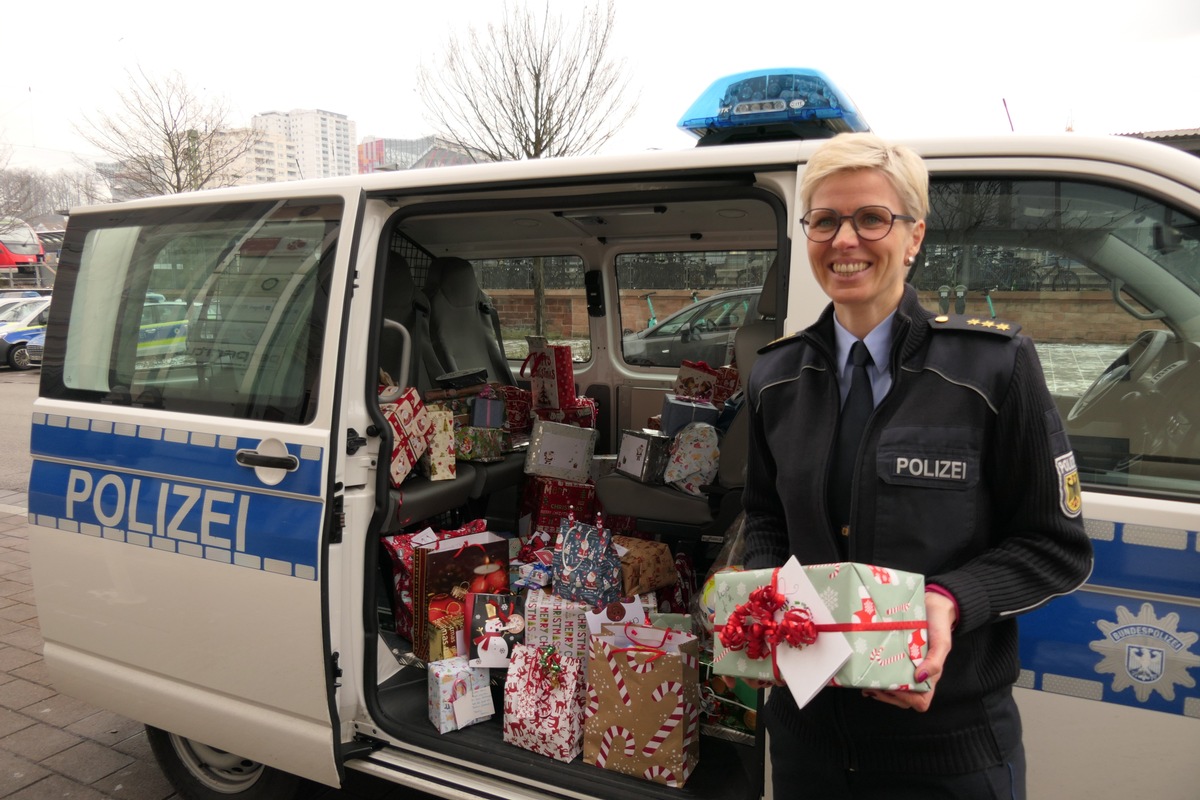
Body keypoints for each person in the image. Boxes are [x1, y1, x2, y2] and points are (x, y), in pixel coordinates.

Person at [742, 132, 1093, 799]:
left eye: (871, 218)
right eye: (824, 219)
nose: (845, 239)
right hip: (807, 744)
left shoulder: (992, 370)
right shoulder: (775, 377)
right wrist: (762, 601)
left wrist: (952, 598)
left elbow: (1055, 546)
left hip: (949, 752)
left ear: (913, 236)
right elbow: (764, 519)